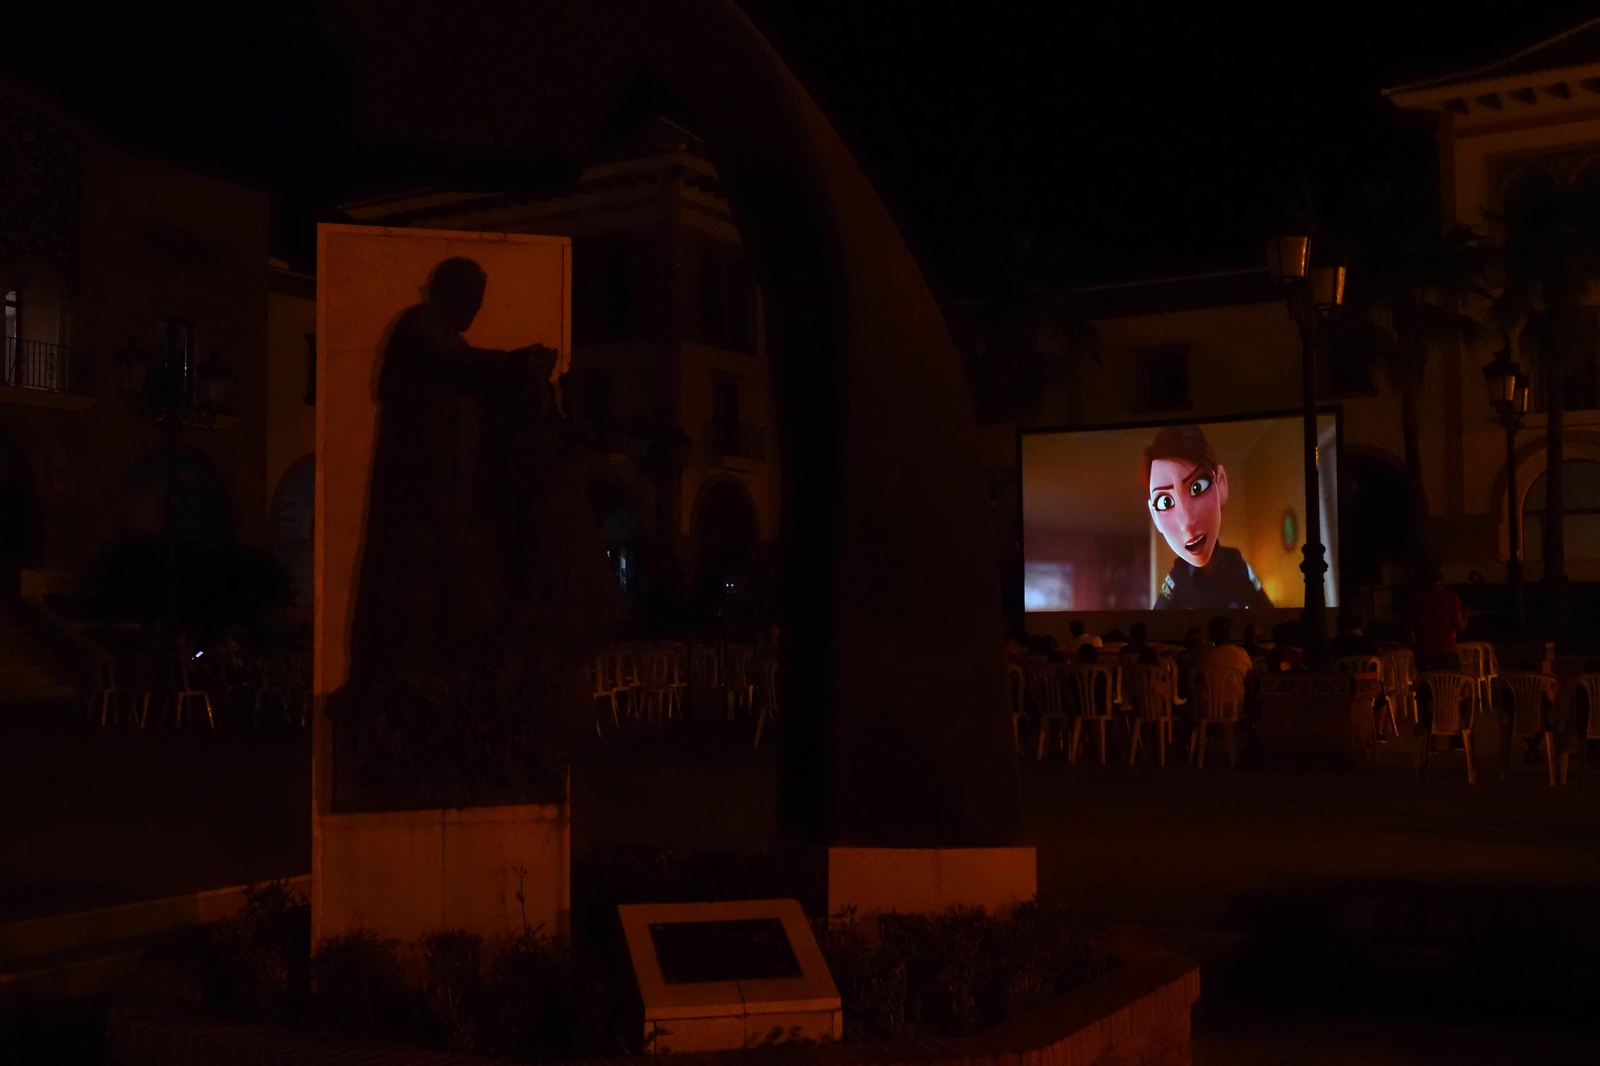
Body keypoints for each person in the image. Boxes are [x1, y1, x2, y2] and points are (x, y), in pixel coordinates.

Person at [1145, 424, 1272, 610]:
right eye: (1165, 502)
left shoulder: (1235, 563)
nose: (1187, 523)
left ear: (1221, 484)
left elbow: (1266, 608)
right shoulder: (1177, 576)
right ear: (1155, 516)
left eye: (1198, 487)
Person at [1413, 569, 1466, 671]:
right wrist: (1466, 615)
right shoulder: (1451, 597)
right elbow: (1459, 627)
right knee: (1452, 683)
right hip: (1447, 651)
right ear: (1440, 580)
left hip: (1425, 652)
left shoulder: (1421, 599)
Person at [1197, 616, 1253, 681]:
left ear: (1210, 633)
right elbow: (1249, 678)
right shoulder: (1241, 654)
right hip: (1234, 691)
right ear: (1229, 633)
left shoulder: (1202, 655)